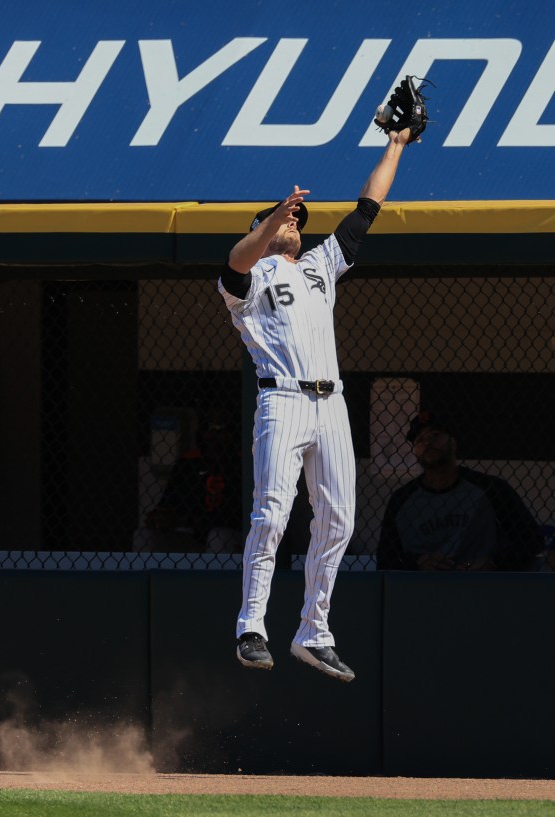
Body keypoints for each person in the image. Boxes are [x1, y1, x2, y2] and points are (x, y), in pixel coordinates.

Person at [218, 126, 417, 682]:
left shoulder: (318, 265)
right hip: (280, 400)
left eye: (297, 222)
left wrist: (396, 146)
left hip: (332, 406)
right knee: (273, 513)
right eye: (285, 218)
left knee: (339, 520)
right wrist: (273, 215)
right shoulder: (251, 276)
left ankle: (314, 630)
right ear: (261, 227)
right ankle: (251, 626)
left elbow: (367, 207)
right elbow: (234, 260)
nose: (293, 224)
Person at [377, 410, 544, 571]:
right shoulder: (402, 499)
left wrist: (494, 562)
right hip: (421, 589)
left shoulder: (490, 489)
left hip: (480, 587)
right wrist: (417, 562)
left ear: (453, 443)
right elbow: (385, 558)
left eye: (435, 435)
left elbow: (532, 541)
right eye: (420, 440)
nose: (427, 442)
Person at [144, 408, 242, 553]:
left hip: (232, 539)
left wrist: (187, 520)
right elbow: (169, 507)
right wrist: (160, 518)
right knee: (144, 536)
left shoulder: (243, 465)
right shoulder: (189, 463)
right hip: (192, 539)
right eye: (208, 428)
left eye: (221, 429)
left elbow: (234, 517)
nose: (213, 436)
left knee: (218, 536)